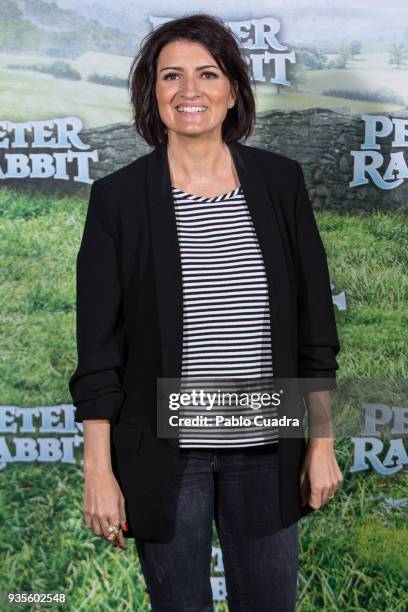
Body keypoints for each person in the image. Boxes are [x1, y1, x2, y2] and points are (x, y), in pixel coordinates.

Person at [68, 13, 343, 612]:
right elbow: (99, 353)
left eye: (207, 74)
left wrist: (319, 442)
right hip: (165, 453)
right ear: (153, 92)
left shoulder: (278, 183)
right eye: (171, 76)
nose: (189, 91)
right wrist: (98, 471)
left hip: (267, 447)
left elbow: (315, 328)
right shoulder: (117, 201)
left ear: (234, 90)